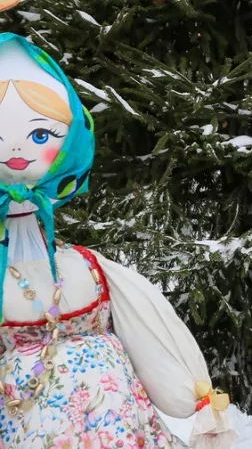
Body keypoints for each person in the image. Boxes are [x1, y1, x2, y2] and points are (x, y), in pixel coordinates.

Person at [0, 33, 235, 448]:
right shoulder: (87, 269)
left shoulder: (91, 269)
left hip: (117, 422)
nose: (17, 149)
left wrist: (191, 393)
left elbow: (149, 326)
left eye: (41, 135)